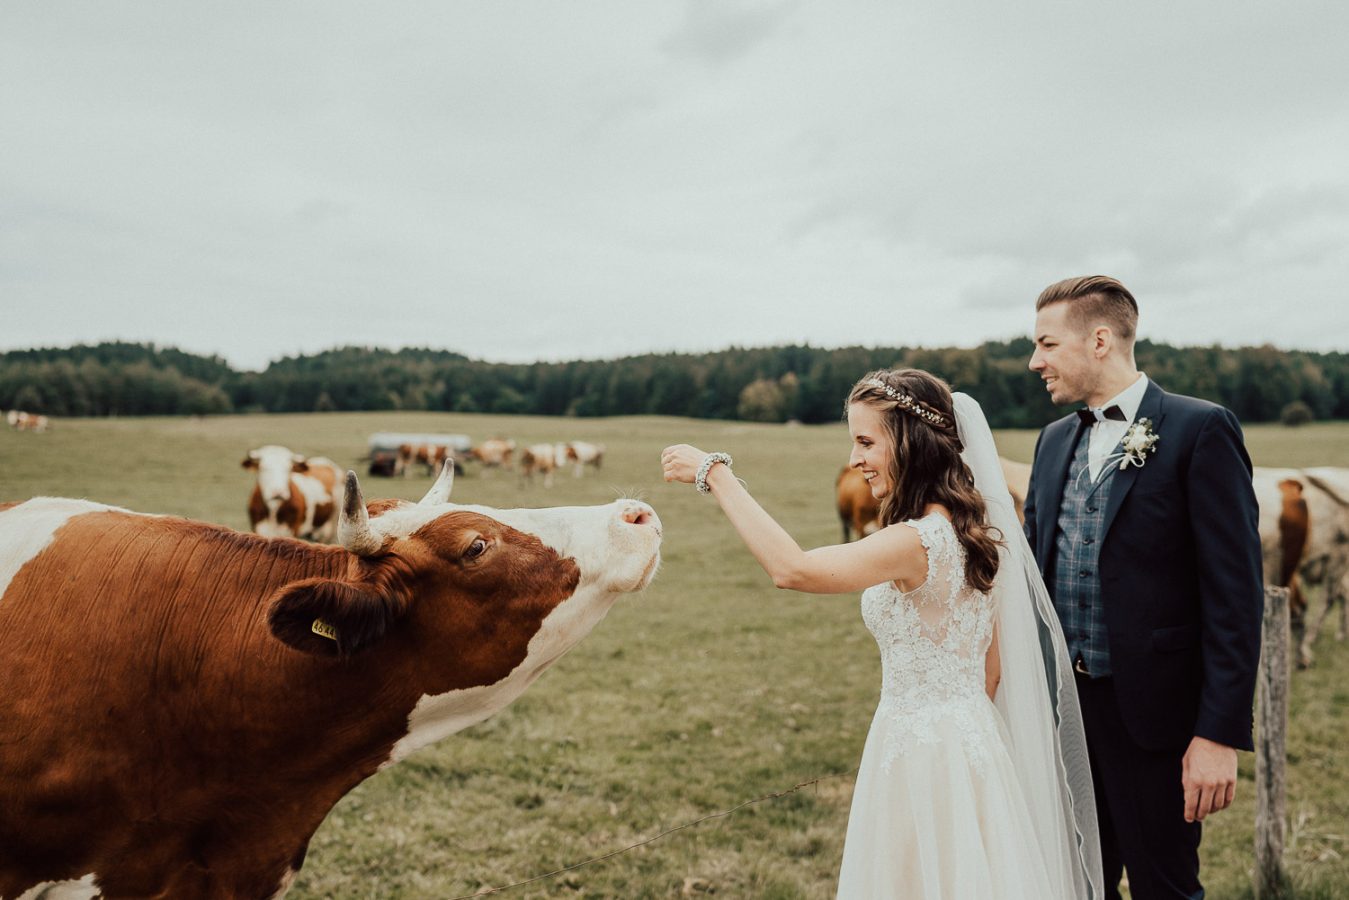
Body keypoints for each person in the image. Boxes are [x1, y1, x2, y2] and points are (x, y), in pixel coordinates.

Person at [662, 369, 1103, 899]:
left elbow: (793, 569)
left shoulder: (916, 541)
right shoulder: (978, 531)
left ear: (912, 445)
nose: (853, 459)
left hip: (920, 752)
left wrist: (716, 473)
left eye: (866, 441)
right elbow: (992, 671)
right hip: (970, 744)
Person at [1024, 276, 1264, 899]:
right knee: (1076, 885)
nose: (1035, 361)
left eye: (1047, 343)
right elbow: (1030, 573)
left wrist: (1216, 735)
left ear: (1099, 339)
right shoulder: (1052, 443)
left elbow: (1235, 597)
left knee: (1165, 888)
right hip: (1064, 720)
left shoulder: (1200, 430)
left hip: (1160, 723)